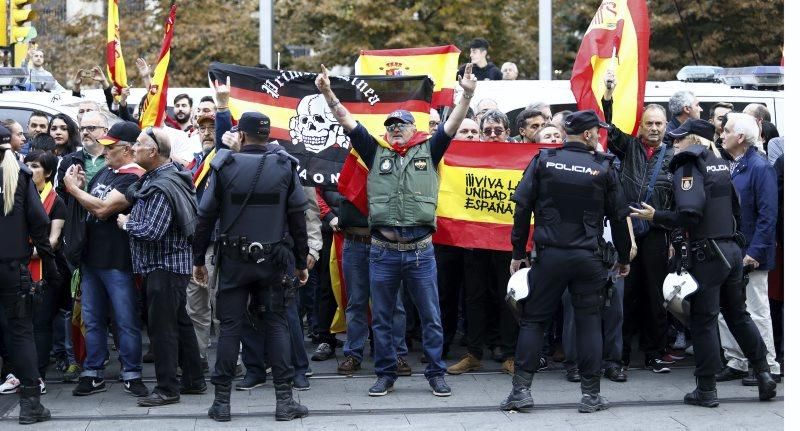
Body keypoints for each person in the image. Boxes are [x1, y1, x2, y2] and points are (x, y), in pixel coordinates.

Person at [315, 62, 476, 397]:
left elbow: (452, 125)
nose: (395, 129)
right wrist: (328, 93)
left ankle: (435, 373)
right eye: (391, 125)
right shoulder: (375, 152)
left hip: (420, 252)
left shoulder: (429, 150)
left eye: (401, 124)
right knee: (383, 317)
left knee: (431, 316)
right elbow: (347, 121)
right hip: (383, 252)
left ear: (413, 127)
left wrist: (467, 97)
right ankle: (386, 374)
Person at [629, 118, 777, 407]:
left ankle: (706, 389)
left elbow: (689, 212)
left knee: (704, 320)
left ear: (694, 140)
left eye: (679, 138)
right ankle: (763, 373)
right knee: (738, 314)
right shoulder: (722, 163)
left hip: (708, 253)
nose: (674, 143)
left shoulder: (689, 162)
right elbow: (735, 207)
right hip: (730, 249)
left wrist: (655, 216)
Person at [501, 110, 631, 413]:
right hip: (589, 258)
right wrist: (623, 258)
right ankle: (590, 396)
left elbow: (521, 209)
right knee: (588, 323)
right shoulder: (603, 167)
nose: (599, 136)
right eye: (596, 132)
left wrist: (518, 252)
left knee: (534, 321)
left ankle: (521, 391)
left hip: (549, 256)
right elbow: (620, 217)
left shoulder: (543, 161)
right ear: (587, 135)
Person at [193, 112, 309, 422]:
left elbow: (204, 218)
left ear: (241, 136)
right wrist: (301, 261)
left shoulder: (224, 165)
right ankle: (284, 402)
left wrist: (196, 260)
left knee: (230, 328)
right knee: (277, 325)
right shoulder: (286, 166)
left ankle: (221, 403)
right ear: (267, 136)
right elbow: (298, 218)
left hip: (233, 261)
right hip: (273, 261)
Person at [119, 127, 206, 407]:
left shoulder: (161, 186)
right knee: (180, 323)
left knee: (162, 329)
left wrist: (126, 223)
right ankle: (193, 379)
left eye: (139, 144)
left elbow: (152, 230)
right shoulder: (162, 177)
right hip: (170, 265)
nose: (133, 148)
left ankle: (167, 388)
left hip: (164, 266)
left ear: (153, 152)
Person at [62, 121, 148, 398]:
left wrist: (73, 190)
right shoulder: (106, 172)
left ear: (126, 149)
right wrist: (82, 186)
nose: (105, 149)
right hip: (92, 260)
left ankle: (132, 372)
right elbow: (93, 200)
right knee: (92, 319)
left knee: (124, 320)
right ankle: (92, 371)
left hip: (117, 262)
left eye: (110, 146)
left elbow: (102, 209)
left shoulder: (134, 176)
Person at [601, 76, 676, 372]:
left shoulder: (674, 156)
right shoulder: (628, 147)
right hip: (628, 232)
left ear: (666, 126)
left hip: (658, 233)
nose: (654, 128)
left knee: (655, 295)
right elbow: (607, 125)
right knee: (626, 295)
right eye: (649, 124)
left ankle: (654, 353)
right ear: (641, 126)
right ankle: (620, 357)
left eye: (659, 124)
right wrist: (609, 93)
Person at [0, 126, 61, 424]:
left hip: (11, 267)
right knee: (21, 333)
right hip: (12, 268)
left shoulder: (20, 175)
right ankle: (30, 404)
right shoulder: (21, 176)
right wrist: (50, 266)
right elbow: (39, 224)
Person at [715, 113, 781, 383]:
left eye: (726, 131)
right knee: (727, 310)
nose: (721, 135)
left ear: (740, 137)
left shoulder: (760, 167)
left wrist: (756, 251)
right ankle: (737, 360)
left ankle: (768, 365)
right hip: (731, 250)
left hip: (752, 252)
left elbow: (768, 215)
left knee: (756, 309)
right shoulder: (733, 164)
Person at [23, 151, 66, 394]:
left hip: (46, 272)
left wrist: (18, 251)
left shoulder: (55, 201)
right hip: (18, 269)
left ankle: (37, 375)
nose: (29, 170)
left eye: (35, 166)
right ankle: (17, 373)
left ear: (48, 173)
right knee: (17, 324)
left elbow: (52, 243)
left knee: (40, 324)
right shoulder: (18, 196)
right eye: (26, 165)